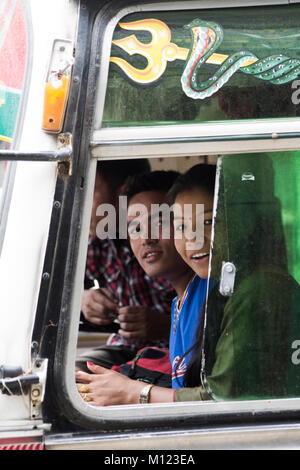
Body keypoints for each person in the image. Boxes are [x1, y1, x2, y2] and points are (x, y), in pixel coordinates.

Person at [76, 164, 217, 404]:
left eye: (161, 222)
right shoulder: (180, 303)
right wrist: (85, 297)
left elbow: (218, 400)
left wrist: (134, 393)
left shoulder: (213, 294)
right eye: (135, 228)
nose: (146, 238)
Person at [77, 160, 176, 372]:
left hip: (175, 352)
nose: (81, 205)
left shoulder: (184, 252)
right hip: (126, 349)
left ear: (122, 193)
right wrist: (85, 300)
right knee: (72, 375)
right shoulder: (98, 243)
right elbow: (64, 291)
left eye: (91, 193)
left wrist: (168, 326)